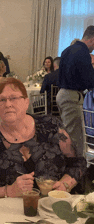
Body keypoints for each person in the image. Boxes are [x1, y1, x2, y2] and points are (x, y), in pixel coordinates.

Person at [0, 78, 87, 203]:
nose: (8, 104)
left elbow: (78, 163)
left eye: (14, 98)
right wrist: (9, 191)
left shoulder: (51, 126)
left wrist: (65, 184)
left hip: (56, 207)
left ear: (27, 102)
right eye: (2, 100)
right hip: (11, 215)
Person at [56, 25, 94, 157]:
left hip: (61, 94)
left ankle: (68, 164)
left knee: (67, 133)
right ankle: (78, 169)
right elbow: (89, 79)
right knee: (75, 136)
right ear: (92, 39)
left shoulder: (67, 50)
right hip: (71, 96)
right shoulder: (83, 52)